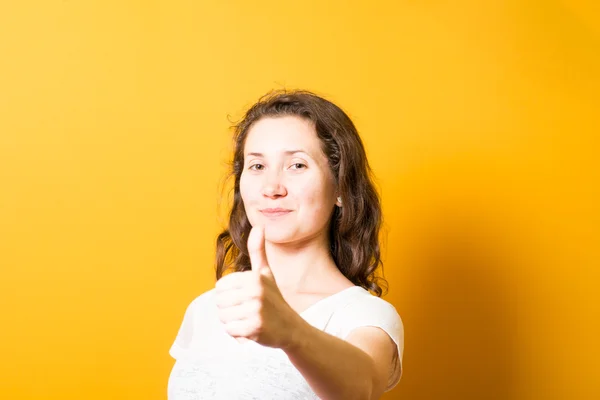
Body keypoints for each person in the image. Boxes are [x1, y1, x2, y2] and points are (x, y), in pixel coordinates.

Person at [167, 90, 404, 399]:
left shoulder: (363, 314)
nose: (272, 188)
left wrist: (291, 332)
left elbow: (364, 387)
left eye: (297, 165)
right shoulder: (206, 308)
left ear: (340, 190)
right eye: (257, 166)